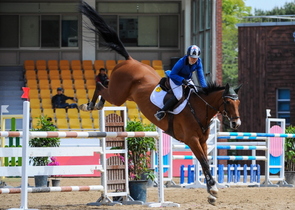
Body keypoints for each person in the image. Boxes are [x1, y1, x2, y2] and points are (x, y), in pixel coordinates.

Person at [154, 45, 208, 121]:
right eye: (192, 57)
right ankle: (161, 111)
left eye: (195, 58)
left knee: (196, 93)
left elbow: (200, 76)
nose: (193, 60)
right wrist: (182, 80)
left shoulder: (198, 62)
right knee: (179, 96)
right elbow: (173, 74)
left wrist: (205, 88)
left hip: (187, 79)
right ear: (188, 56)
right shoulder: (181, 62)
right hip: (175, 79)